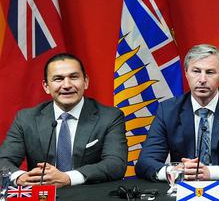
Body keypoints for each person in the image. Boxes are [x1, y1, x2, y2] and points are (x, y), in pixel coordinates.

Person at [136, 44, 219, 181]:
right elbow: (145, 163)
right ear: (186, 73)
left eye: (210, 72)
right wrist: (175, 171)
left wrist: (211, 172)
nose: (202, 80)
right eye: (196, 71)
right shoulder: (168, 110)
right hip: (182, 188)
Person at [0, 52, 126, 187]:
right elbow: (3, 160)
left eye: (74, 77)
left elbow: (116, 164)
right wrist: (20, 177)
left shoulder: (110, 117)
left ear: (85, 82)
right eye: (58, 79)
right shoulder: (26, 118)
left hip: (89, 195)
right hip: (41, 196)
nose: (67, 85)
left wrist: (68, 178)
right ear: (46, 86)